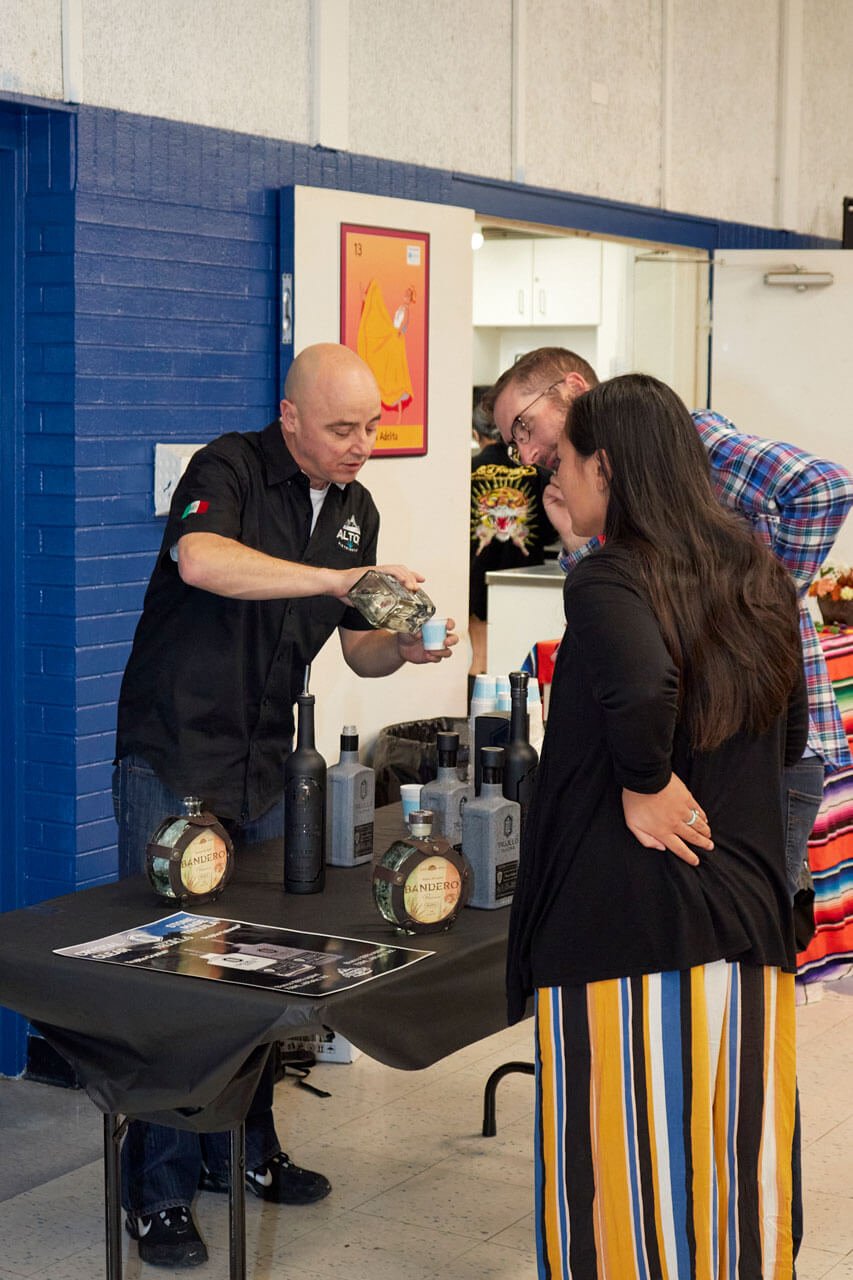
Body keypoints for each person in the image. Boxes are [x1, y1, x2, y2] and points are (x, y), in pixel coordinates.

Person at [113, 342, 457, 1268]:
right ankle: (158, 1191)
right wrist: (334, 579)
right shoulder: (226, 467)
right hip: (177, 752)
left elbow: (357, 650)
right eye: (342, 428)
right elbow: (201, 562)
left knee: (263, 967)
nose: (361, 445)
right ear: (291, 417)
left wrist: (402, 649)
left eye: (372, 426)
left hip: (269, 764)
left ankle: (243, 1148)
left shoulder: (354, 508)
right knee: (173, 970)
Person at [507, 373, 808, 1277]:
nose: (554, 478)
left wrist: (645, 780)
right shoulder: (757, 571)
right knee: (735, 1179)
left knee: (625, 1191)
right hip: (746, 921)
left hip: (624, 925)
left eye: (563, 461)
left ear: (605, 465)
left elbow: (642, 685)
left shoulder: (610, 576)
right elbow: (791, 737)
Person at [483, 346, 853, 898]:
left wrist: (759, 602)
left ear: (573, 388)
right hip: (697, 745)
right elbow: (631, 612)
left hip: (755, 739)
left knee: (746, 919)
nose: (529, 454)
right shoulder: (597, 506)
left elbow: (823, 488)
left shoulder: (685, 440)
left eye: (525, 426)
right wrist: (578, 541)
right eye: (516, 444)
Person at [468, 409, 555, 675]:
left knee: (479, 659)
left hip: (477, 575)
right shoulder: (535, 470)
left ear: (475, 434)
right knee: (520, 656)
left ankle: (476, 696)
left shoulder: (468, 469)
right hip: (525, 576)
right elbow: (549, 531)